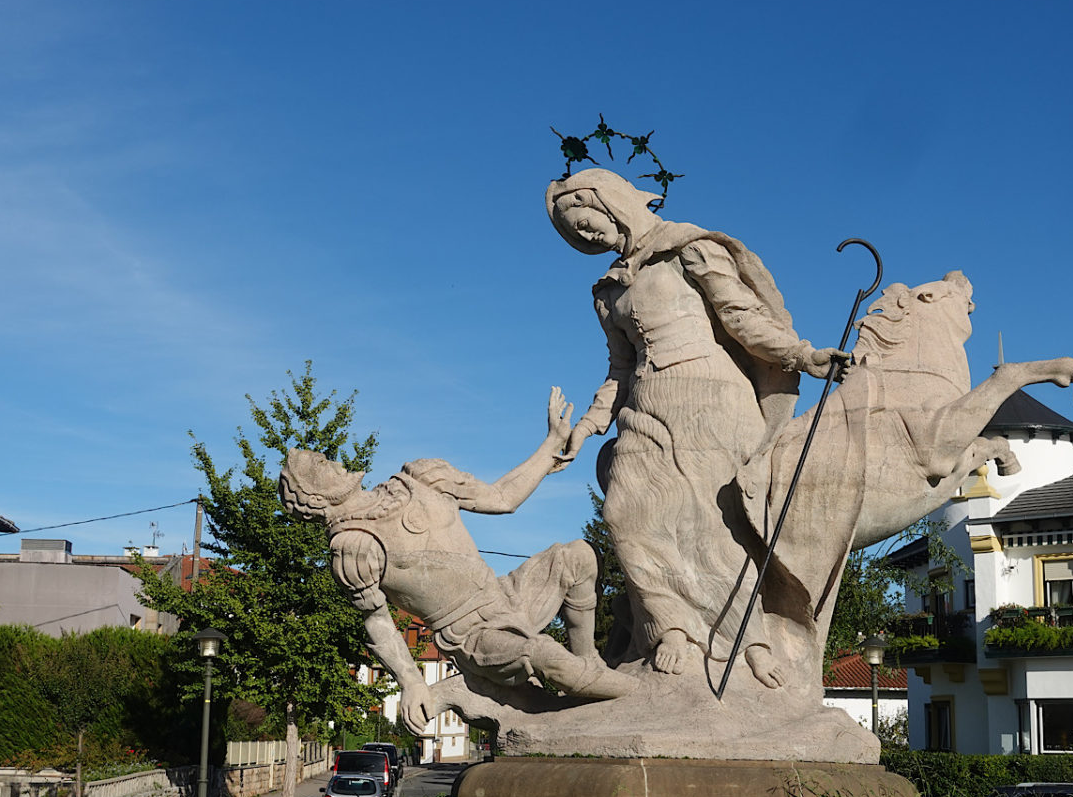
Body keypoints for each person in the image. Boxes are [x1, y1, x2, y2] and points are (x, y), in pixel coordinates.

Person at [547, 169, 843, 688]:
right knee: (625, 513)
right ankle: (672, 627)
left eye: (587, 220)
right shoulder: (606, 291)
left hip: (712, 398)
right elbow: (619, 369)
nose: (586, 235)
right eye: (574, 233)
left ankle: (749, 640)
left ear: (612, 203)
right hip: (645, 405)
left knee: (714, 525)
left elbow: (742, 318)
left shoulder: (690, 249)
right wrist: (591, 424)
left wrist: (805, 355)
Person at [279, 387, 634, 730]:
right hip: (473, 635)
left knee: (580, 556)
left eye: (321, 457)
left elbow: (501, 498)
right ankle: (641, 694)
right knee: (544, 654)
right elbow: (378, 622)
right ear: (313, 499)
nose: (330, 460)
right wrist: (411, 681)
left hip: (504, 595)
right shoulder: (353, 548)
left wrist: (551, 444)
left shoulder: (419, 477)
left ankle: (590, 663)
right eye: (318, 466)